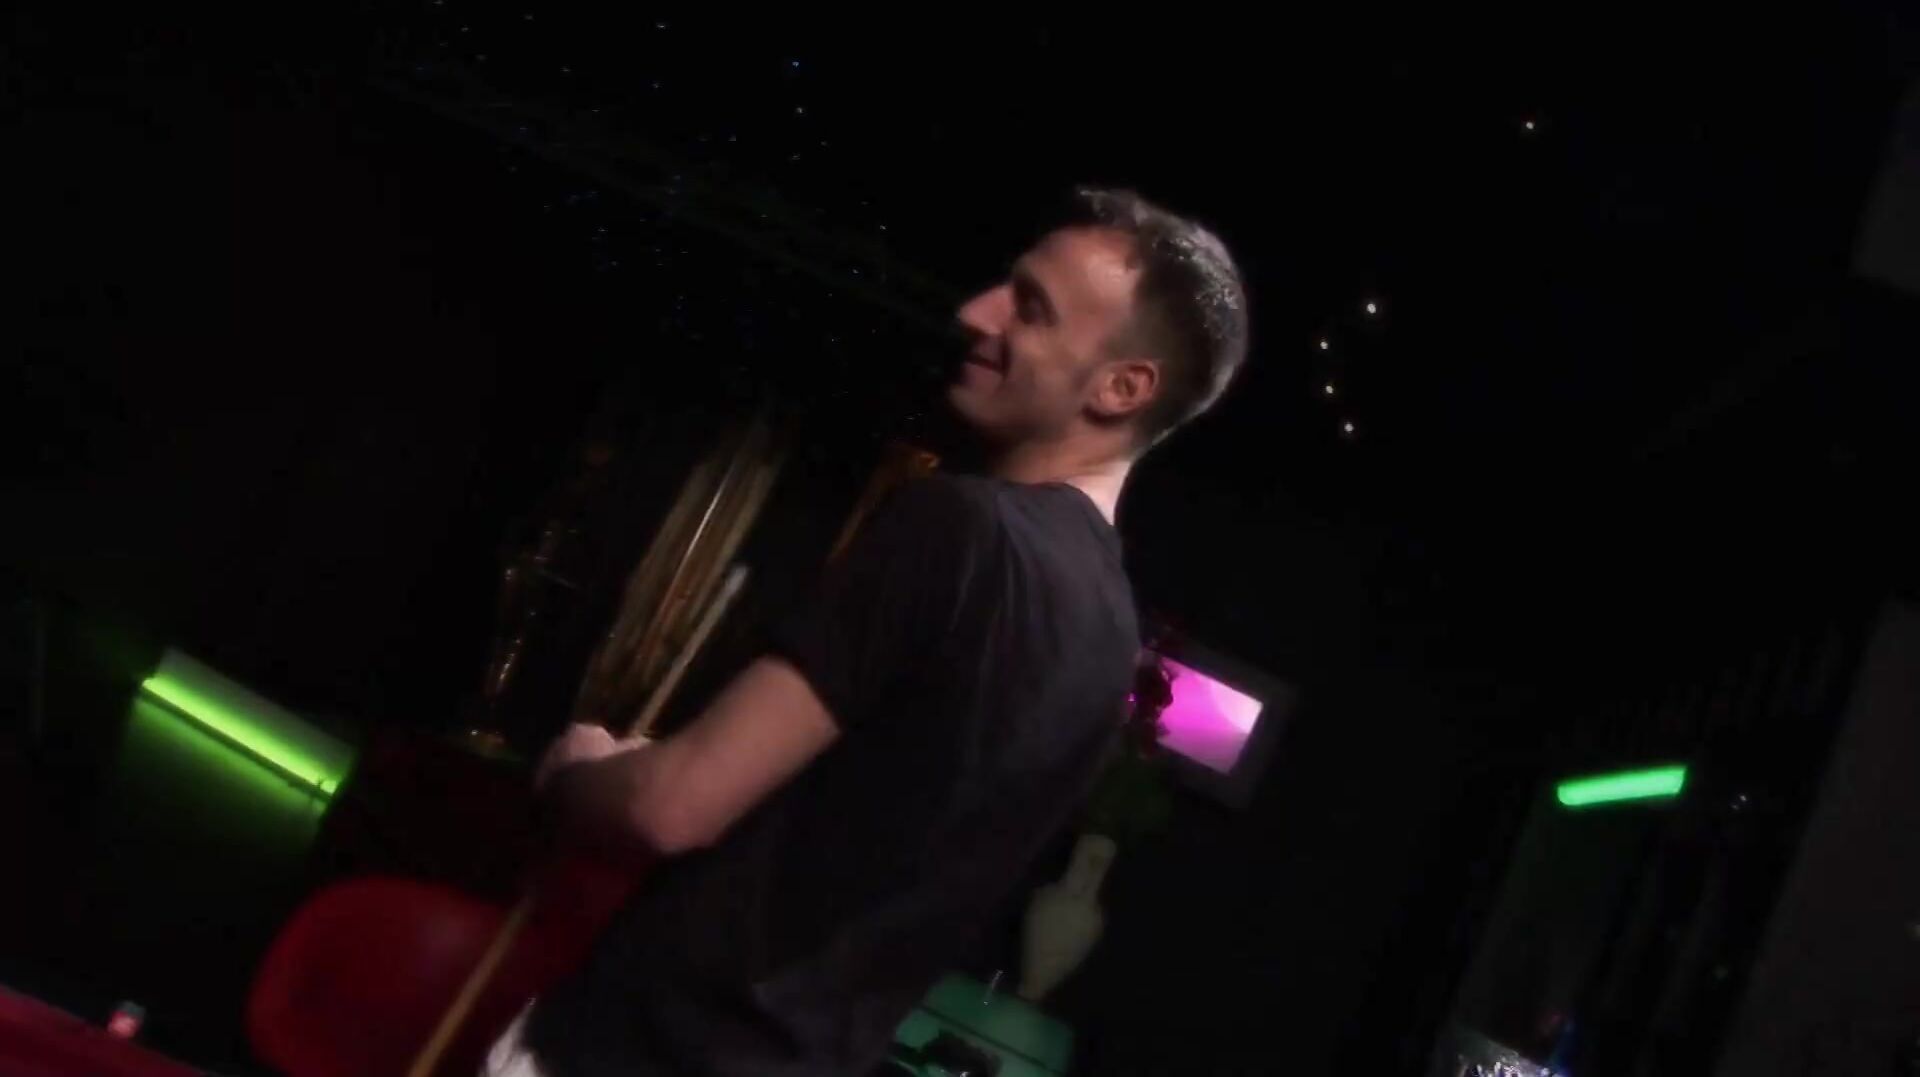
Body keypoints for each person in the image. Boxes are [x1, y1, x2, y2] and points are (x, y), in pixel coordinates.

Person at [487, 187, 1250, 1077]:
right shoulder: (1111, 634)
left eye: (1031, 308)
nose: (977, 314)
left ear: (1123, 387)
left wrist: (580, 770)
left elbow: (671, 808)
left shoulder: (959, 527)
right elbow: (870, 842)